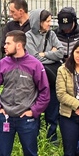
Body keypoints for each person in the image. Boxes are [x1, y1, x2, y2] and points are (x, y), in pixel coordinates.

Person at [27, 9, 65, 142]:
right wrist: (51, 53)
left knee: (52, 112)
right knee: (35, 112)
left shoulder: (52, 34)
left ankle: (52, 140)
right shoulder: (28, 37)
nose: (50, 24)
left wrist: (44, 54)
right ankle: (34, 139)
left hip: (51, 79)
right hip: (35, 81)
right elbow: (34, 59)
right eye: (47, 21)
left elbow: (61, 53)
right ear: (39, 22)